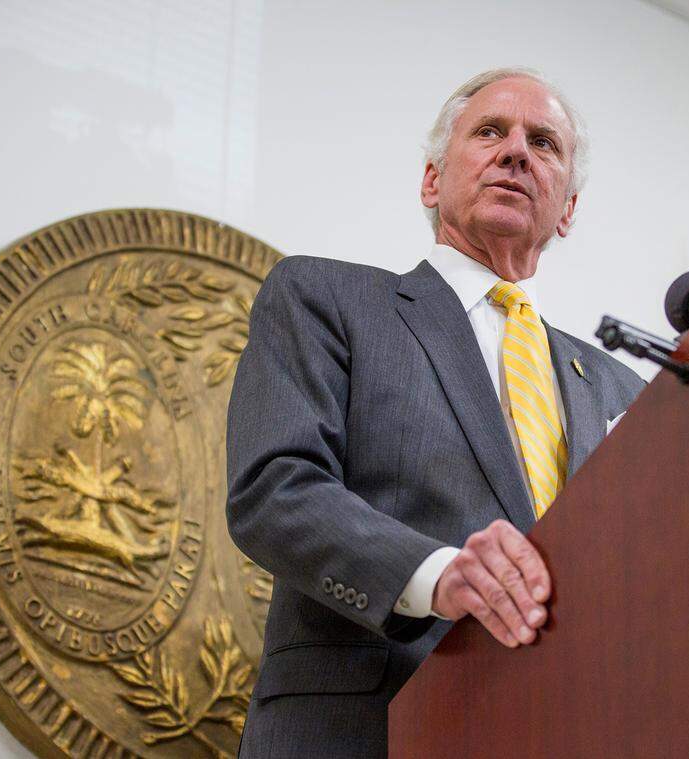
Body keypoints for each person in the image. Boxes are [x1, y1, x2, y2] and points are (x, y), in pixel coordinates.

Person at [226, 67, 644, 758]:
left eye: (543, 143)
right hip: (366, 730)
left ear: (567, 209)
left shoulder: (619, 389)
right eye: (489, 132)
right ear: (431, 181)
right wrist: (436, 573)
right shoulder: (325, 298)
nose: (516, 151)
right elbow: (274, 490)